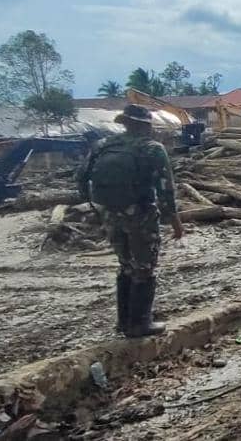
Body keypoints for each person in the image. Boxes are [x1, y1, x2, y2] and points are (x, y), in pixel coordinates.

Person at [77, 104, 184, 337]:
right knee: (144, 266)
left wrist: (97, 206)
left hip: (109, 212)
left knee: (125, 265)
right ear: (145, 125)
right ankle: (140, 324)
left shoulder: (103, 145)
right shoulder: (152, 149)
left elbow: (81, 177)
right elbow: (165, 188)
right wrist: (175, 220)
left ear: (125, 123)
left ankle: (123, 321)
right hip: (141, 213)